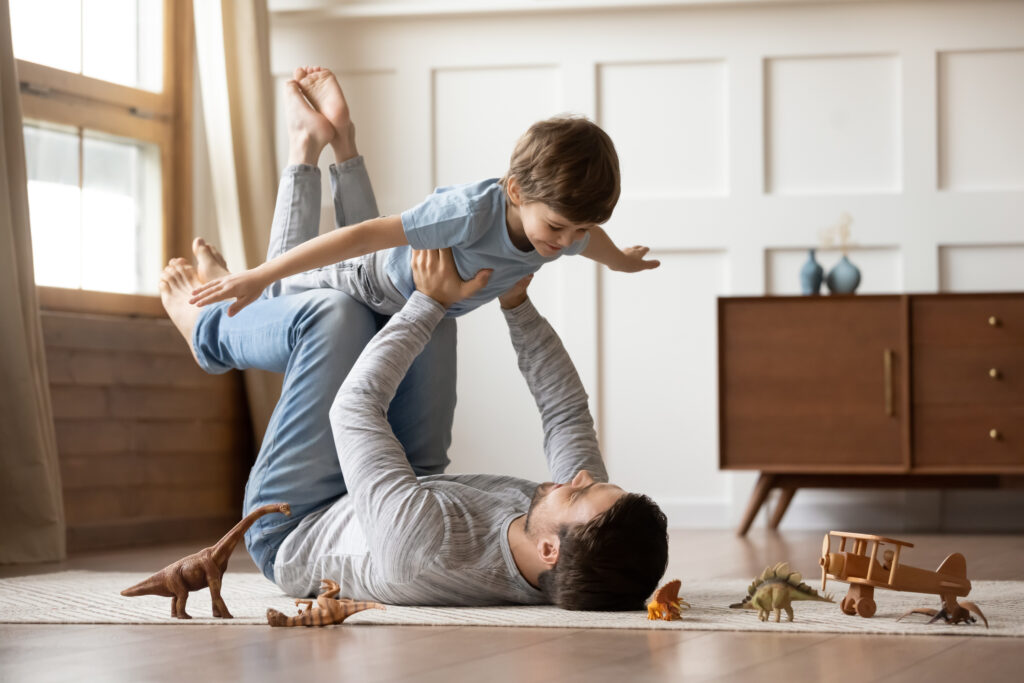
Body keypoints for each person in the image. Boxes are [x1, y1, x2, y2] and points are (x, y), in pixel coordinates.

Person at [160, 242, 668, 611]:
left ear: (550, 551)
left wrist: (430, 302)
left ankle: (207, 328)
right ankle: (250, 285)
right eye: (593, 482)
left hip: (298, 519)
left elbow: (353, 410)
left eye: (580, 494)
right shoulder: (574, 532)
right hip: (410, 484)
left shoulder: (425, 552)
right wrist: (515, 303)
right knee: (431, 304)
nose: (578, 478)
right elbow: (564, 411)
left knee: (336, 317)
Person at [187, 67, 660, 319]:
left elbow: (589, 242)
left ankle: (342, 137)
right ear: (515, 191)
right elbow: (364, 237)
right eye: (558, 227)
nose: (565, 241)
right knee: (275, 297)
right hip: (369, 281)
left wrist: (620, 260)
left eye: (579, 229)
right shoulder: (470, 214)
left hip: (398, 288)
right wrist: (260, 275)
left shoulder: (565, 228)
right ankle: (302, 152)